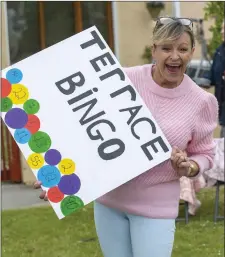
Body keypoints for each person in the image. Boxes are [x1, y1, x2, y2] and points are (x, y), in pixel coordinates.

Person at [34, 17, 218, 257]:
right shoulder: (120, 81)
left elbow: (205, 153)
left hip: (156, 207)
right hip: (109, 202)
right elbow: (85, 128)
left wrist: (190, 166)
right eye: (166, 48)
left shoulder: (201, 101)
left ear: (191, 52)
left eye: (182, 49)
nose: (175, 56)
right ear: (154, 50)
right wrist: (56, 173)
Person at [203, 21, 225, 137]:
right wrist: (202, 80)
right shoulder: (219, 51)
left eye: (224, 28)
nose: (222, 32)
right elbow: (212, 74)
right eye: (222, 28)